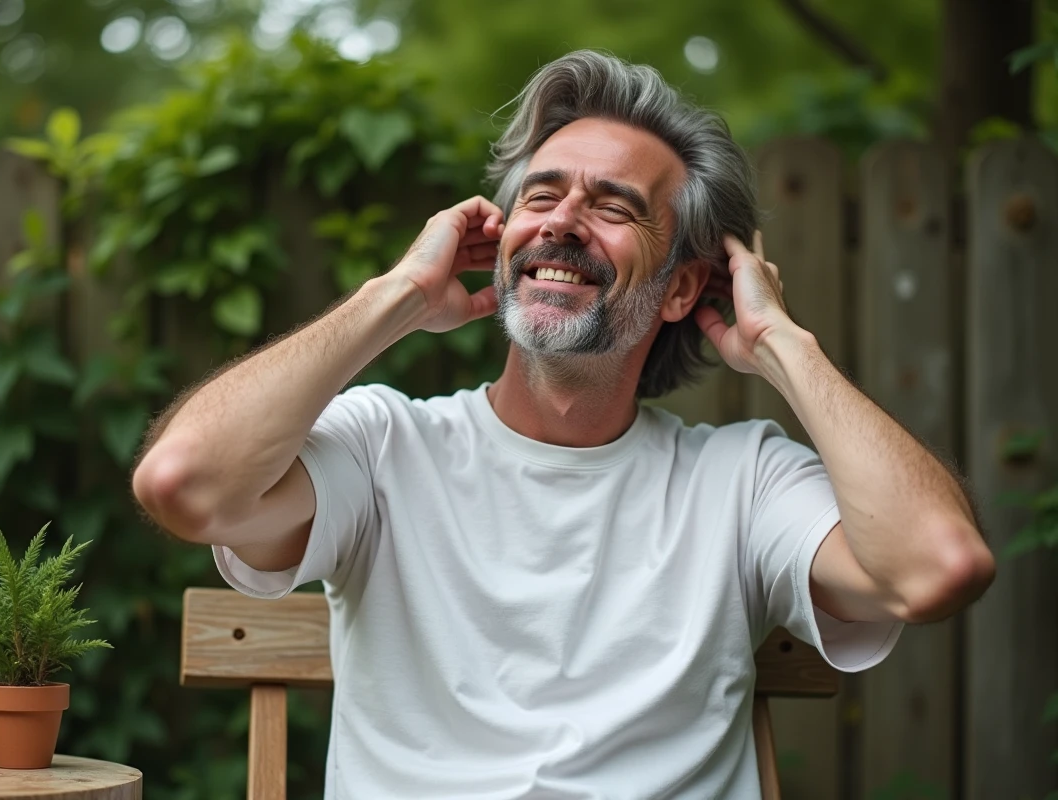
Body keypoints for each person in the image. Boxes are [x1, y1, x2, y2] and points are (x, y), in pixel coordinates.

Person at [132, 50, 995, 799]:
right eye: (541, 195)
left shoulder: (742, 482)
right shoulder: (385, 448)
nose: (563, 221)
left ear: (686, 288)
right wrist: (393, 299)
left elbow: (937, 567)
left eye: (615, 207)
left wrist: (782, 345)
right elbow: (186, 485)